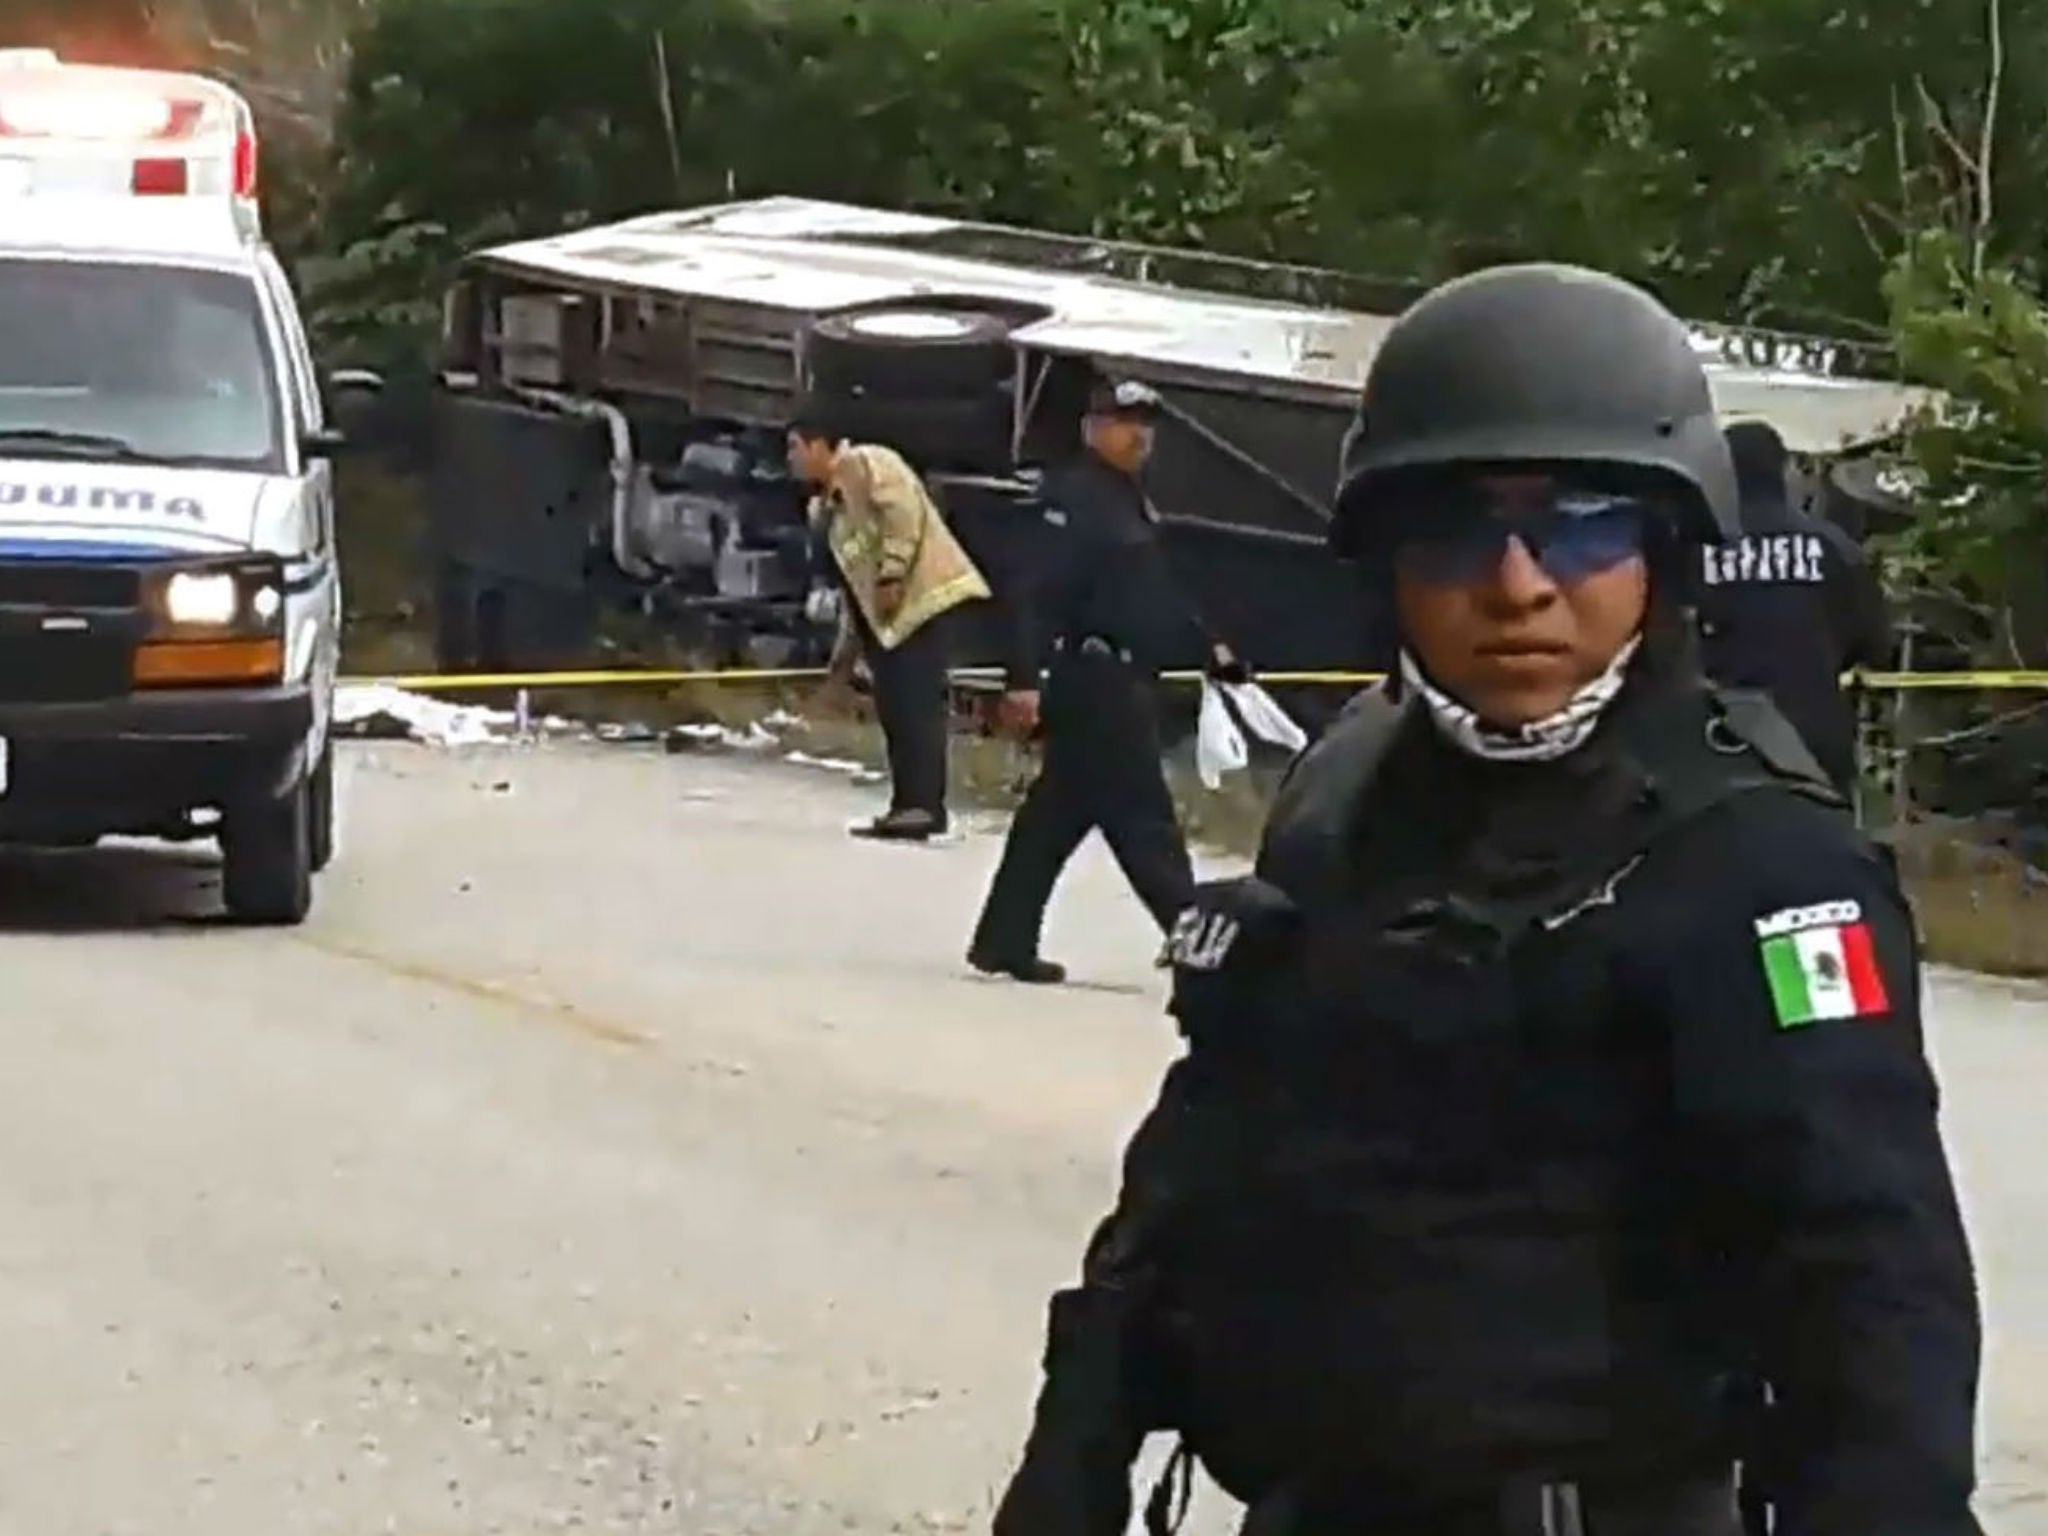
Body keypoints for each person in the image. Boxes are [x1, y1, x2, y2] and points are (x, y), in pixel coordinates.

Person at [990, 266, 1985, 1536]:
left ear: (1663, 552)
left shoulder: (1758, 868)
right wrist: (1072, 1456)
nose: (1517, 585)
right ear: (1385, 563)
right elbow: (1199, 1158)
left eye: (1578, 527)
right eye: (1457, 532)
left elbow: (1871, 1289)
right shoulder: (1345, 798)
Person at [967, 377, 1247, 984]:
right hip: (1091, 677)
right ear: (1093, 428)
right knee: (1144, 820)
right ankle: (1202, 950)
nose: (1140, 435)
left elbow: (1150, 593)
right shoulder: (1071, 497)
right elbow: (1031, 594)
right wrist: (1023, 677)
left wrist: (1207, 646)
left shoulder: (1128, 501)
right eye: (1126, 421)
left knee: (1055, 817)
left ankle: (1004, 938)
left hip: (1122, 669)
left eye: (1148, 423)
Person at [788, 412, 992, 841]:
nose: (792, 459)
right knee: (896, 708)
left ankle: (924, 806)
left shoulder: (869, 463)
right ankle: (907, 804)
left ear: (821, 445)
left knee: (917, 706)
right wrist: (844, 657)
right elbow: (851, 586)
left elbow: (904, 514)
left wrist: (893, 573)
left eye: (796, 447)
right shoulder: (826, 509)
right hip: (886, 622)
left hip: (920, 599)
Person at [1694, 420, 1894, 798]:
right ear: (1784, 470)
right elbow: (1876, 646)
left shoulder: (1689, 549)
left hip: (1715, 743)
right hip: (1815, 746)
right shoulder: (1834, 548)